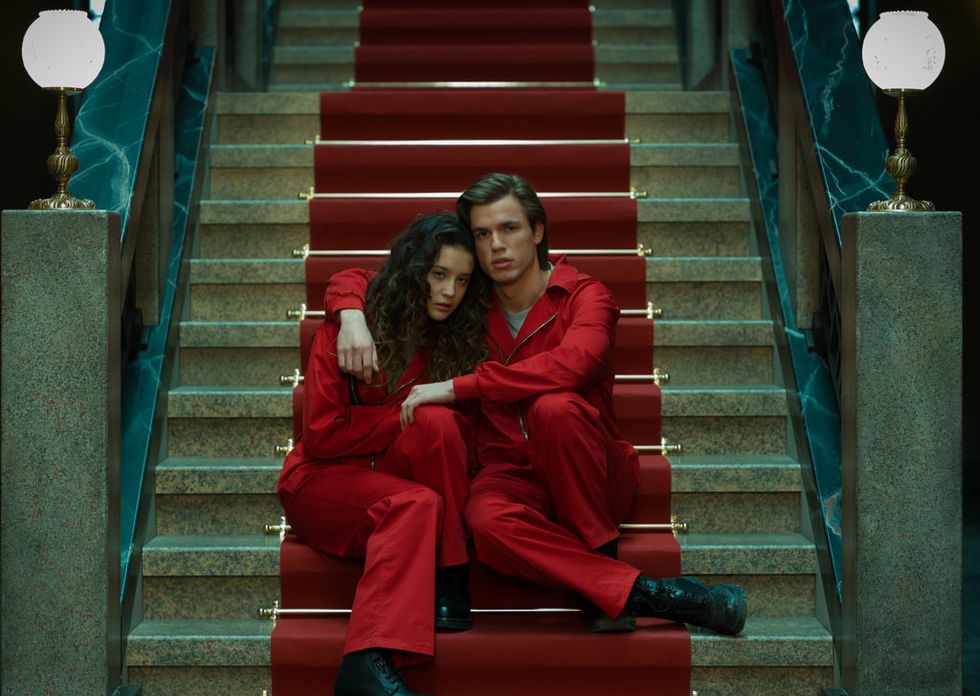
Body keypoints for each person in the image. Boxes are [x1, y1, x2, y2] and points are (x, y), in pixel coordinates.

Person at [327, 173, 747, 639]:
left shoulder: (585, 295)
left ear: (538, 231)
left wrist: (459, 386)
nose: (496, 247)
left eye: (509, 229)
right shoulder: (466, 299)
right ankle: (651, 594)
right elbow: (369, 278)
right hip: (508, 473)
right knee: (483, 521)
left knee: (555, 409)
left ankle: (601, 560)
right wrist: (350, 315)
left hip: (589, 468)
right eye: (483, 235)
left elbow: (573, 365)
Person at [277, 213, 489, 696]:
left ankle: (434, 597)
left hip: (384, 474)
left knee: (436, 429)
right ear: (413, 268)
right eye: (438, 275)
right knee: (415, 501)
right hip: (321, 481)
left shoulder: (454, 338)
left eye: (461, 280)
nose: (449, 292)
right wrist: (400, 411)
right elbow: (324, 437)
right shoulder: (351, 328)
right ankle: (366, 662)